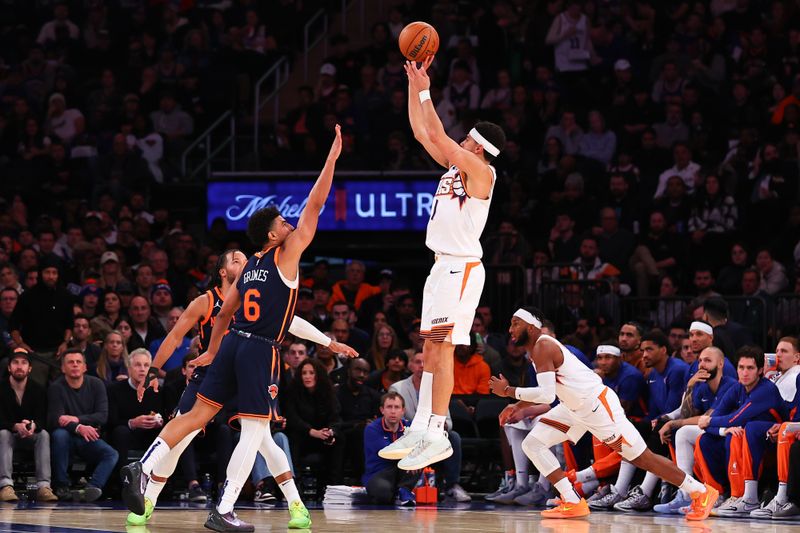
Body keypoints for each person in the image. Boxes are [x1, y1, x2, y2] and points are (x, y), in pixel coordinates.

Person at [122, 126, 352, 531]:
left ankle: (142, 466)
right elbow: (316, 205)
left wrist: (211, 352)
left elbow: (226, 312)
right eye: (284, 221)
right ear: (273, 233)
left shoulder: (249, 269)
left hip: (231, 347)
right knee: (255, 431)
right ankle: (224, 507)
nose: (290, 223)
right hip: (260, 350)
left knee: (196, 417)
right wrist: (331, 160)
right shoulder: (284, 256)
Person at [379, 56, 506, 471]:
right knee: (430, 347)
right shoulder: (456, 165)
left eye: (468, 138)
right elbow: (422, 131)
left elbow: (436, 130)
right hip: (441, 266)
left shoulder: (481, 172)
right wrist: (414, 87)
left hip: (463, 266)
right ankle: (422, 426)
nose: (462, 140)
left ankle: (438, 430)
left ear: (479, 147)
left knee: (445, 348)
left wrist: (428, 90)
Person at [487, 307, 717, 520]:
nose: (510, 330)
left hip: (598, 407)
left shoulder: (543, 346)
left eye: (515, 323)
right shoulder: (537, 350)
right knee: (533, 444)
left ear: (530, 326)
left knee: (642, 458)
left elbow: (546, 396)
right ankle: (572, 500)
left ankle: (701, 492)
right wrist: (517, 406)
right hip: (574, 408)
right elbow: (550, 389)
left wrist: (508, 392)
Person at [693, 346, 783, 513]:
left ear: (760, 370)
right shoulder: (737, 388)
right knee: (705, 440)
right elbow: (713, 423)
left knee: (742, 431)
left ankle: (743, 497)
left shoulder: (766, 389)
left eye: (750, 368)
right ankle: (717, 494)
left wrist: (709, 420)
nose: (745, 373)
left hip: (773, 443)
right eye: (741, 367)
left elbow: (736, 418)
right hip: (749, 442)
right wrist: (722, 430)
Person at [653, 347, 737, 514]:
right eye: (700, 361)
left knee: (683, 431)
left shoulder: (730, 385)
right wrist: (690, 387)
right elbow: (688, 414)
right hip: (711, 430)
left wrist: (674, 423)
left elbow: (707, 417)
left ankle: (705, 492)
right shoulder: (700, 386)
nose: (702, 365)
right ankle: (685, 493)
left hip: (727, 431)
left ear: (720, 364)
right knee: (680, 433)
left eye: (707, 361)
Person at [48, 349, 119, 502]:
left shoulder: (96, 384)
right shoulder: (56, 387)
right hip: (67, 438)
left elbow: (102, 416)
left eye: (78, 362)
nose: (75, 365)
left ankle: (92, 487)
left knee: (111, 454)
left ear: (85, 367)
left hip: (88, 437)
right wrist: (79, 427)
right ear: (63, 368)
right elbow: (56, 419)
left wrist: (76, 419)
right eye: (70, 362)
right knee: (59, 435)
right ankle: (61, 485)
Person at [0, 348, 57, 502]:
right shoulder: (1, 388)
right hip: (8, 436)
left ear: (29, 368)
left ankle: (44, 487)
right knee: (3, 433)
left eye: (24, 363)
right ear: (9, 367)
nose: (19, 366)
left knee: (43, 434)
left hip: (30, 435)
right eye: (15, 362)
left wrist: (33, 425)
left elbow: (43, 419)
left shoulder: (38, 390)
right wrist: (14, 426)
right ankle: (5, 486)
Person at [363, 392, 420, 505]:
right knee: (383, 494)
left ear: (403, 411)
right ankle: (397, 493)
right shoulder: (372, 429)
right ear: (382, 410)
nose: (393, 411)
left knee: (421, 456)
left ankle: (404, 490)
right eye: (389, 407)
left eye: (397, 407)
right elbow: (389, 452)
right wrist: (412, 456)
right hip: (379, 473)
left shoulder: (410, 428)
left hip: (402, 472)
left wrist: (416, 456)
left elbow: (421, 446)